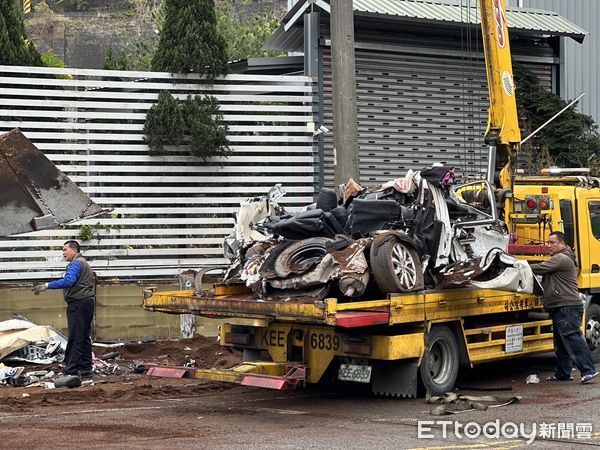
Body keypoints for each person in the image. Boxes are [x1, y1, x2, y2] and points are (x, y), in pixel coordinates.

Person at [530, 231, 599, 383]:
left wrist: (519, 264)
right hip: (559, 306)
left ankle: (588, 370)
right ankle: (563, 373)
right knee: (561, 342)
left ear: (562, 244)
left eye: (552, 243)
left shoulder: (561, 258)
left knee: (573, 338)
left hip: (567, 306)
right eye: (548, 242)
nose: (549, 246)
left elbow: (540, 268)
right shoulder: (561, 258)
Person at [32, 240, 95, 378]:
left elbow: (68, 281)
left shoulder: (76, 264)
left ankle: (71, 369)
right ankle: (86, 368)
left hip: (78, 304)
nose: (63, 252)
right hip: (87, 302)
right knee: (84, 336)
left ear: (74, 250)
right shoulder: (84, 263)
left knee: (76, 336)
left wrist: (46, 285)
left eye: (65, 249)